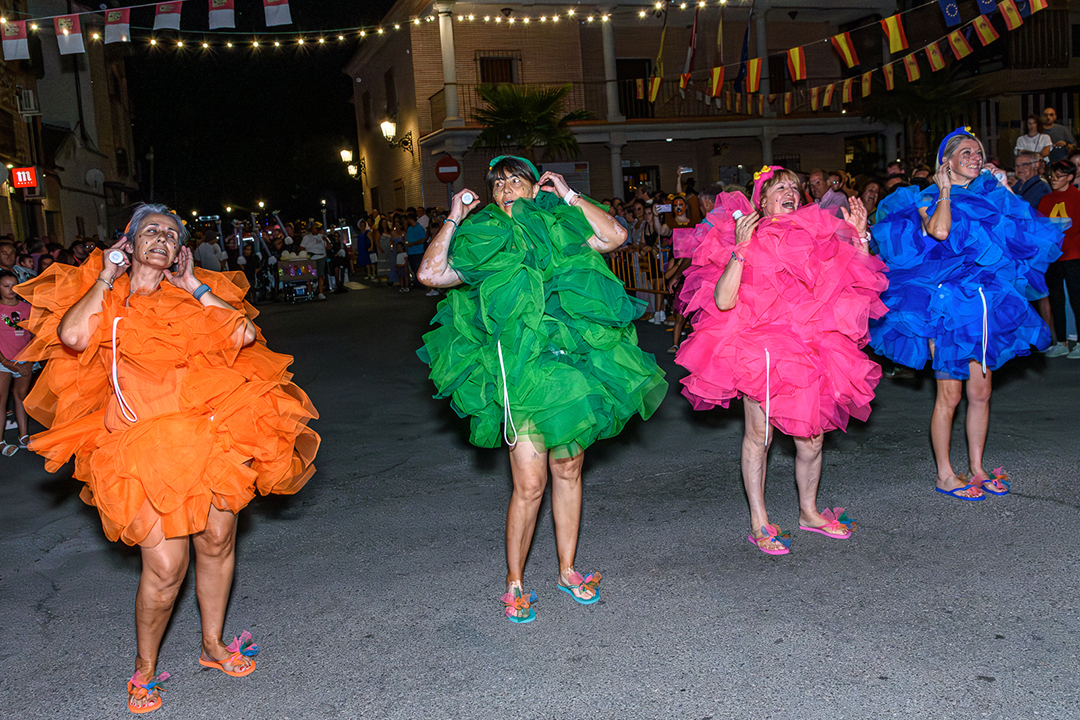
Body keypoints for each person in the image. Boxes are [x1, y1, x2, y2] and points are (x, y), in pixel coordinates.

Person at [14, 204, 319, 713]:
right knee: (165, 568)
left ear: (179, 251)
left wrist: (196, 282)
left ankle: (212, 646)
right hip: (142, 447)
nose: (161, 239)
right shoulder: (109, 296)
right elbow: (71, 337)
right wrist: (107, 275)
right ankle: (146, 668)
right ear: (128, 243)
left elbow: (241, 333)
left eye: (172, 235)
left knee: (218, 540)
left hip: (210, 437)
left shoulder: (194, 297)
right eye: (150, 231)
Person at [416, 156, 666, 623]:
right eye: (498, 183)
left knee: (568, 468)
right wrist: (454, 216)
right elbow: (431, 275)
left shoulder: (561, 226)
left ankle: (568, 570)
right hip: (522, 379)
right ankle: (515, 582)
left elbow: (615, 237)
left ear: (535, 187)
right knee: (529, 485)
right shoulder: (484, 239)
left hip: (568, 372)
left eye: (516, 180)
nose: (506, 188)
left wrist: (569, 194)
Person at [675, 166, 887, 555]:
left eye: (794, 186)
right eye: (779, 188)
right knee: (761, 436)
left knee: (812, 440)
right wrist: (740, 248)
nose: (789, 192)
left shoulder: (817, 231)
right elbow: (723, 300)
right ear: (762, 201)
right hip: (761, 349)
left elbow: (858, 281)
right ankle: (759, 520)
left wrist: (860, 236)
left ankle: (809, 512)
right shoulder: (747, 237)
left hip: (809, 347)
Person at [869, 128, 1061, 501]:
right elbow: (939, 231)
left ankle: (976, 468)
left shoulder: (991, 195)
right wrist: (943, 190)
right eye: (968, 152)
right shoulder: (925, 197)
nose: (976, 157)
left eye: (979, 152)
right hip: (945, 308)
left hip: (983, 306)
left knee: (981, 391)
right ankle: (945, 473)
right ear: (948, 161)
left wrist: (1004, 193)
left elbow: (1027, 237)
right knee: (950, 395)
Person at [1038, 160, 1080, 358]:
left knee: (1077, 299)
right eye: (1052, 176)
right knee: (1056, 299)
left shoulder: (1077, 198)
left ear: (1070, 177)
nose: (1053, 179)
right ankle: (1061, 341)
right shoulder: (1045, 200)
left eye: (1059, 176)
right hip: (1053, 257)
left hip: (1074, 255)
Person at [0, 270, 32, 456]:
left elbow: (35, 336)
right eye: (6, 286)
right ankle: (0, 441)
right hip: (2, 360)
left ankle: (23, 436)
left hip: (25, 359)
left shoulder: (26, 308)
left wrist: (30, 360)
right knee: (1, 400)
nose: (11, 289)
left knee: (21, 397)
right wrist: (6, 362)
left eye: (14, 285)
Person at [300, 223, 330, 300]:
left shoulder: (322, 237)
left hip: (321, 256)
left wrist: (326, 240)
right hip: (311, 258)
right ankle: (309, 292)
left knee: (320, 275)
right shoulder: (307, 237)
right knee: (309, 276)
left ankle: (320, 292)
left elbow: (329, 247)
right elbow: (301, 247)